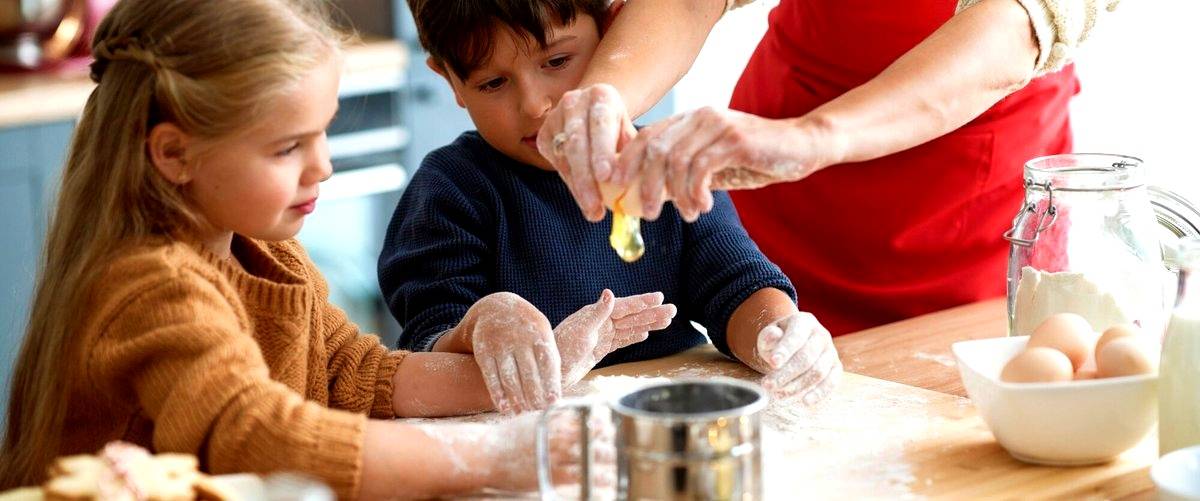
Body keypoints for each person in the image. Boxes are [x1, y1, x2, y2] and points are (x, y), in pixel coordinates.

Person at [0, 0, 617, 498]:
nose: (322, 166)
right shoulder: (151, 287)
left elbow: (351, 375)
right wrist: (492, 457)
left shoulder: (265, 251)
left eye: (322, 133)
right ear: (174, 154)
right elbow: (259, 438)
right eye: (286, 147)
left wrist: (518, 376)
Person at [537, 0, 1116, 335]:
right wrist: (605, 94)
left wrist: (812, 139)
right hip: (783, 205)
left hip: (969, 218)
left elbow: (1015, 26)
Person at [381, 0, 842, 404]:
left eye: (557, 60)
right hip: (525, 441)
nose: (536, 105)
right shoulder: (451, 189)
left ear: (614, 28)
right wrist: (481, 325)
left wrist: (776, 334)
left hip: (663, 415)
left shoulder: (664, 164)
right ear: (450, 81)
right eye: (493, 83)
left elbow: (736, 287)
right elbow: (430, 341)